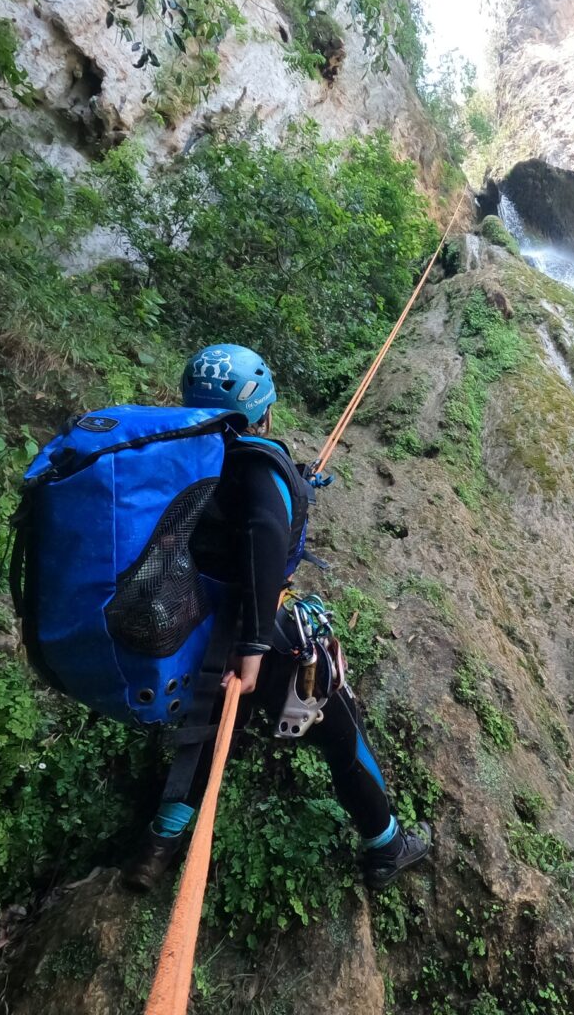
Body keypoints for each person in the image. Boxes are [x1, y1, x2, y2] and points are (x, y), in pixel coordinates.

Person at [123, 344, 432, 892]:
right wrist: (256, 648)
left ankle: (157, 846)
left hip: (189, 618)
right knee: (339, 725)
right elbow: (264, 536)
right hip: (253, 631)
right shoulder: (259, 466)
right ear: (263, 408)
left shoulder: (188, 453)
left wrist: (294, 483)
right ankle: (386, 845)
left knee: (211, 721)